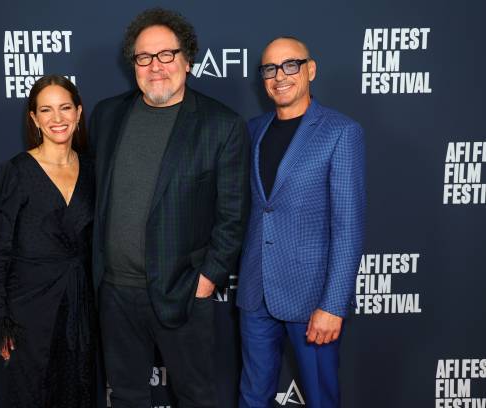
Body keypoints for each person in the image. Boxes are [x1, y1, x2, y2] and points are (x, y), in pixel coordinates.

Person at [89, 8, 250, 407]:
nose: (155, 66)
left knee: (196, 397)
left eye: (166, 54)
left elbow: (232, 216)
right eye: (144, 57)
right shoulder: (107, 115)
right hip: (115, 292)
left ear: (187, 60)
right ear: (133, 65)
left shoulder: (221, 124)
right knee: (125, 397)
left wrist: (206, 281)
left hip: (184, 290)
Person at [236, 37, 366, 408]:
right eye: (270, 69)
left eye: (290, 65)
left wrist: (333, 305)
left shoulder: (341, 132)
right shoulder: (252, 130)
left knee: (321, 398)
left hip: (312, 299)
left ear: (310, 70)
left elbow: (348, 227)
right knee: (252, 397)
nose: (280, 76)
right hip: (255, 293)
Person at [0, 75, 96, 408]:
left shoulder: (93, 170)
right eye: (46, 110)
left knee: (79, 391)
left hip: (81, 306)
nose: (57, 118)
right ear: (34, 118)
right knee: (32, 394)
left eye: (65, 108)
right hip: (29, 309)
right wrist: (1, 320)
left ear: (78, 113)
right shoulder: (17, 171)